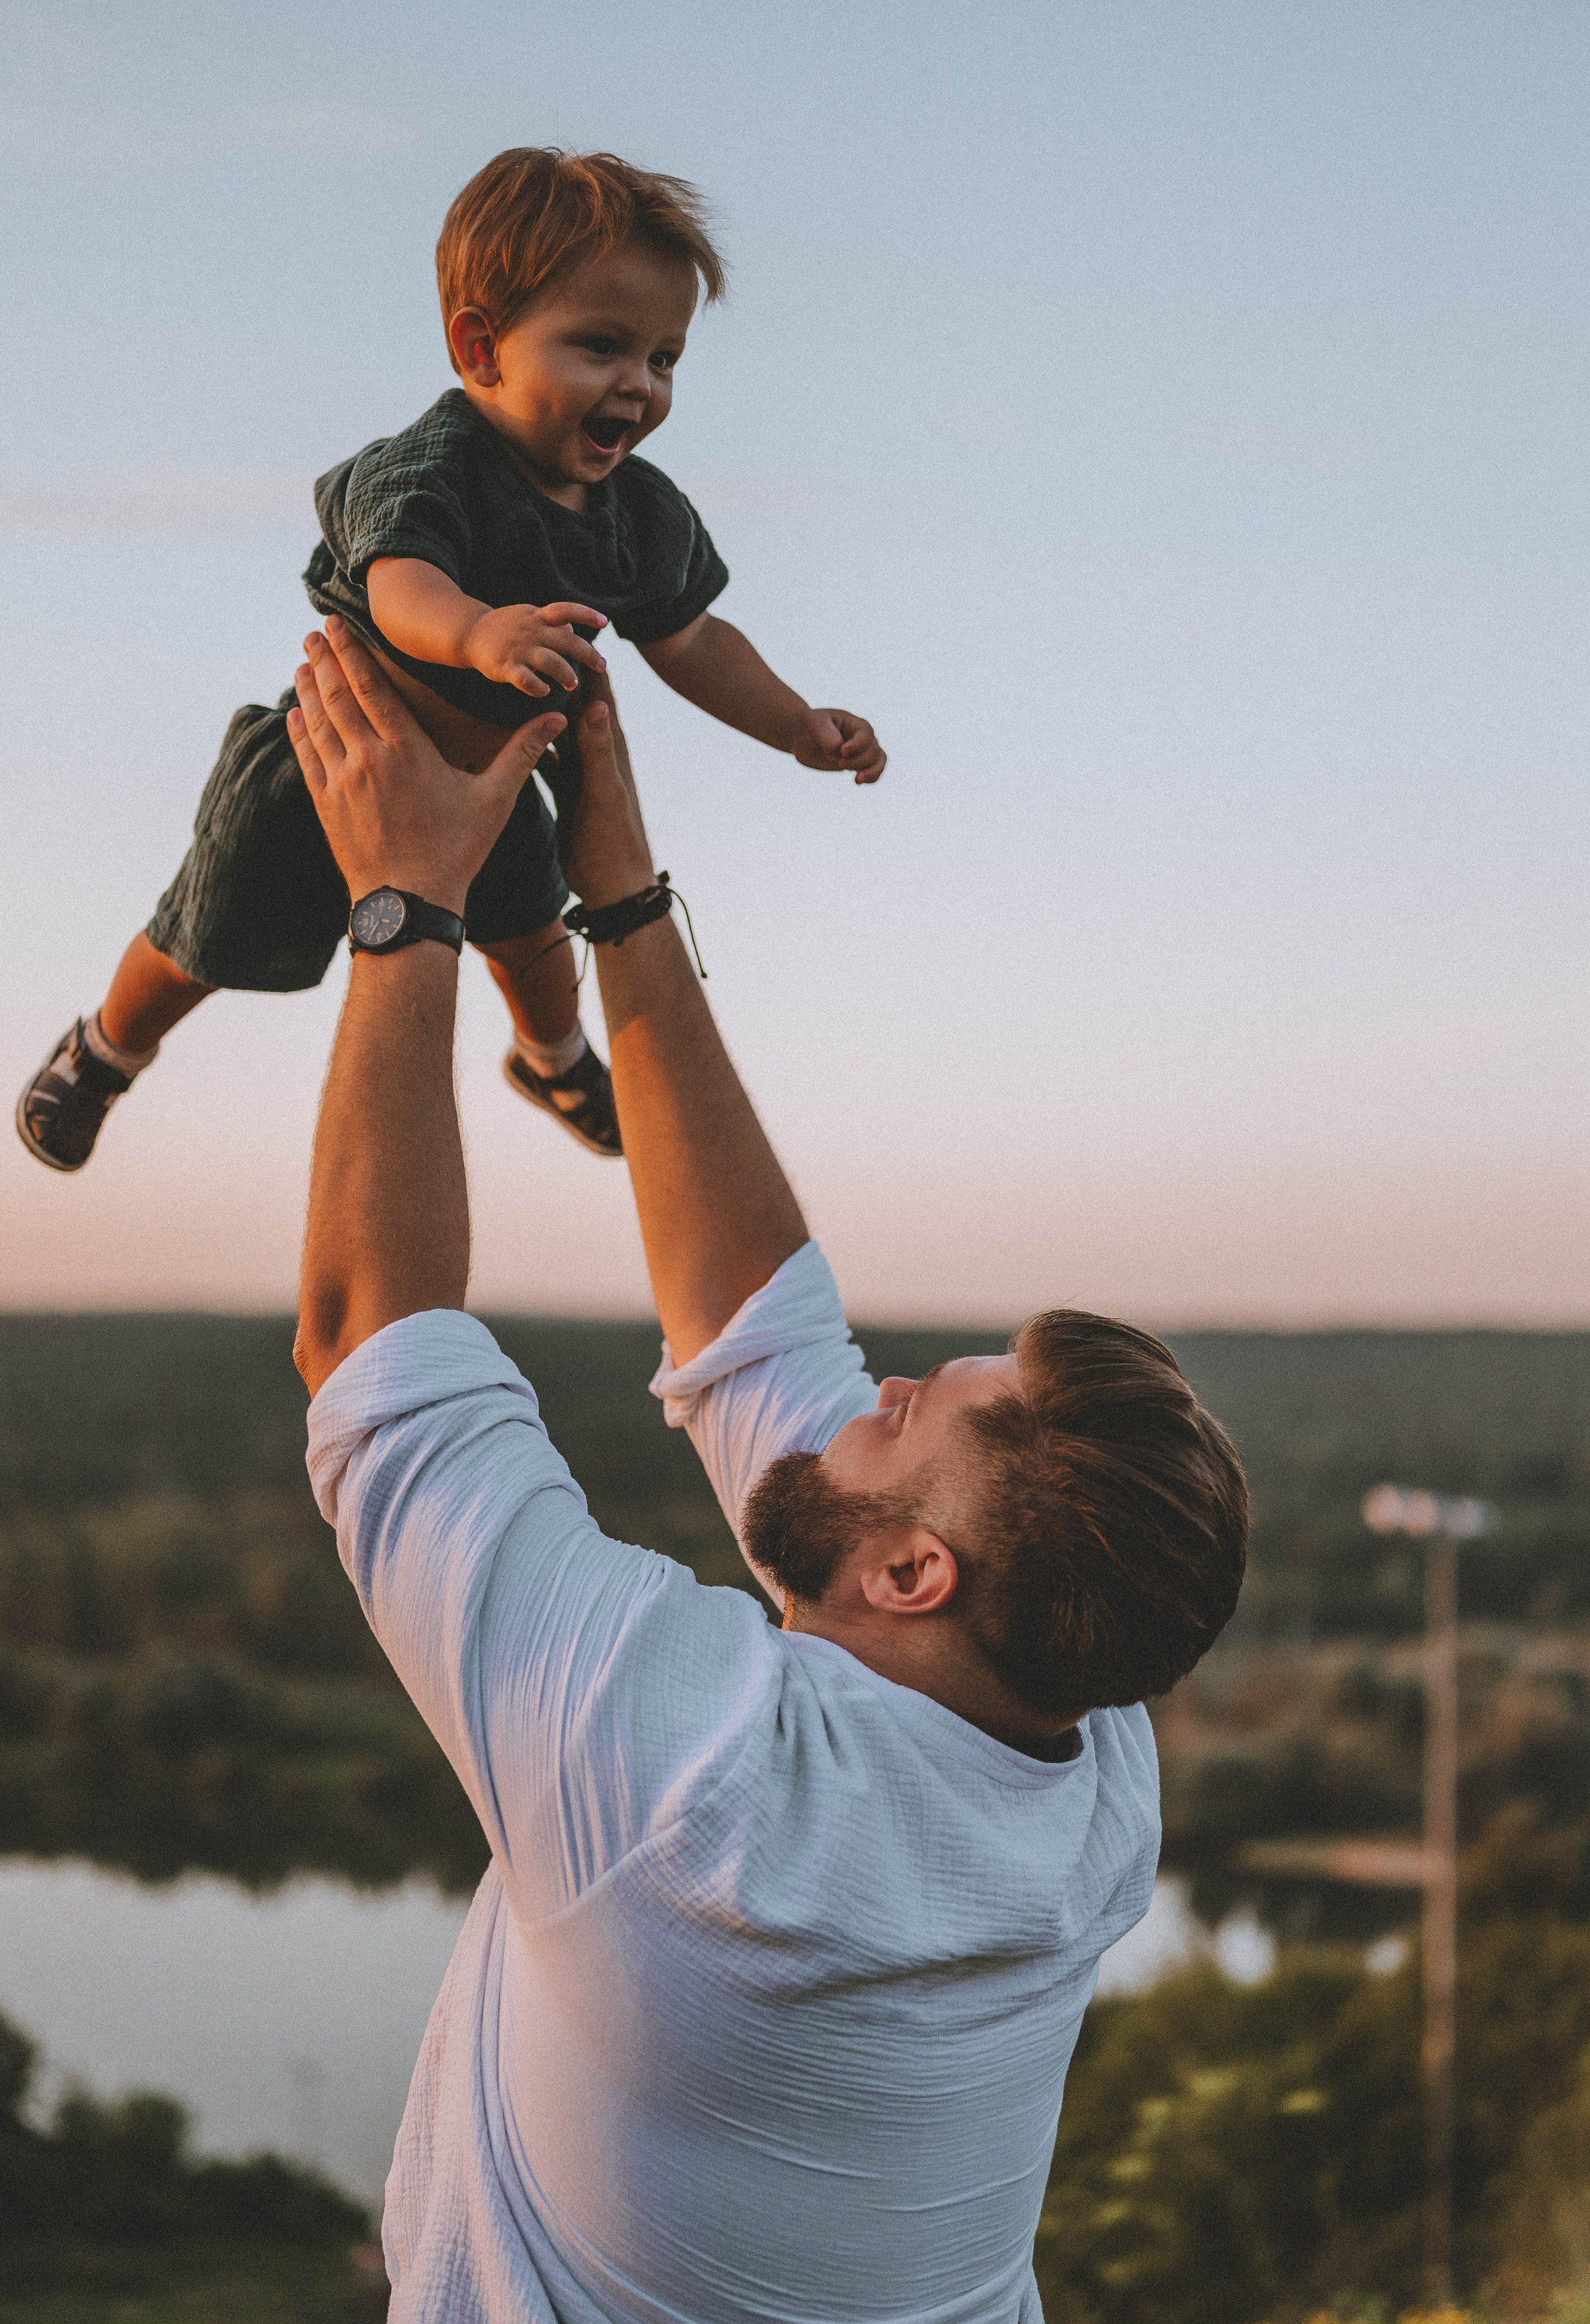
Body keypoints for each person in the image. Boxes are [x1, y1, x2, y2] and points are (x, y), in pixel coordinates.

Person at [281, 614, 1248, 2322]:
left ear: (908, 1575)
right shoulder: (1084, 1753)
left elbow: (373, 1347)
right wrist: (624, 889)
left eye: (905, 1411)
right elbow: (753, 1326)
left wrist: (401, 902)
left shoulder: (687, 1781)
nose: (867, 1382)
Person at [15, 147, 886, 1174]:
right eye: (602, 346)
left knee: (535, 946)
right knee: (199, 937)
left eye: (665, 359)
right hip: (331, 772)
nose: (640, 387)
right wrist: (479, 632)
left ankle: (552, 1059)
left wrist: (794, 722)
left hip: (496, 786)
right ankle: (109, 1047)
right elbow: (398, 583)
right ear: (481, 347)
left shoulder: (641, 514)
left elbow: (690, 638)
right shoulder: (428, 465)